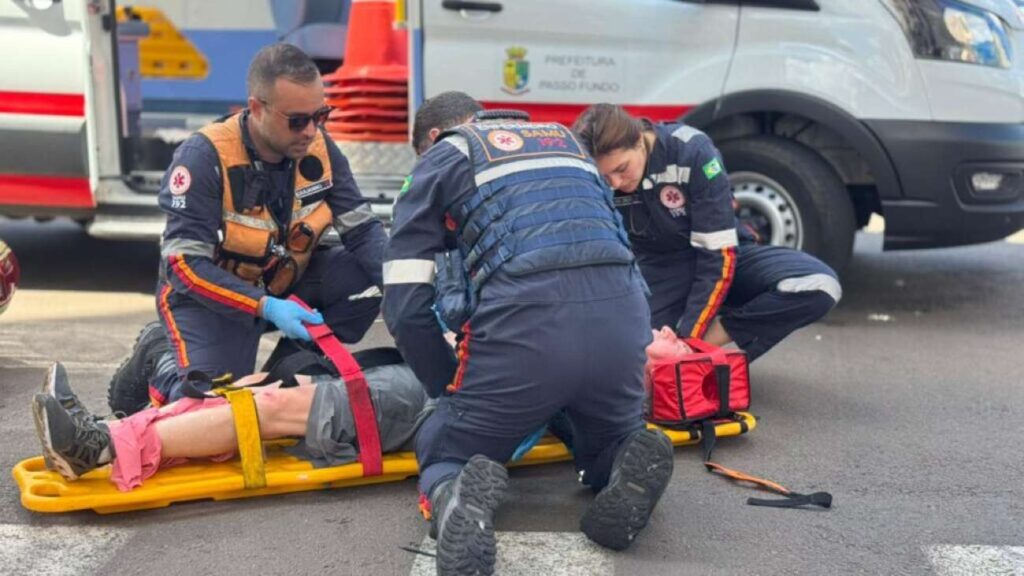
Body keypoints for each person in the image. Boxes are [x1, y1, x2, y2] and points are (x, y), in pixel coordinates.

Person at [383, 91, 675, 574]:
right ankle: (621, 458)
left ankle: (455, 494)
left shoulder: (447, 155)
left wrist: (448, 388)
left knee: (445, 444)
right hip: (623, 318)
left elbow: (405, 306)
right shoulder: (568, 142)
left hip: (527, 325)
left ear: (433, 139)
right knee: (604, 433)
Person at [111, 43, 387, 410]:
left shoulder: (318, 148)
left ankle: (289, 375)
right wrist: (265, 306)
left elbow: (364, 231)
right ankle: (157, 355)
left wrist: (410, 287)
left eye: (320, 115)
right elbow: (184, 267)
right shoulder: (203, 157)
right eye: (297, 120)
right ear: (256, 108)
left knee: (369, 279)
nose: (310, 130)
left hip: (282, 283)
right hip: (210, 298)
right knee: (210, 408)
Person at [573, 104, 841, 362]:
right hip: (661, 269)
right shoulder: (594, 176)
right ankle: (683, 351)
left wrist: (688, 341)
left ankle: (701, 350)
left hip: (724, 256)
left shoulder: (692, 151)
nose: (617, 183)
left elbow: (718, 257)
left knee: (820, 285)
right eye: (606, 176)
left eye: (621, 169)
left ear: (639, 140)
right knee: (614, 348)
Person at [33, 350, 431, 491]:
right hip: (426, 373)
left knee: (271, 406)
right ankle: (107, 432)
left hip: (434, 394)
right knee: (255, 387)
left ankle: (99, 448)